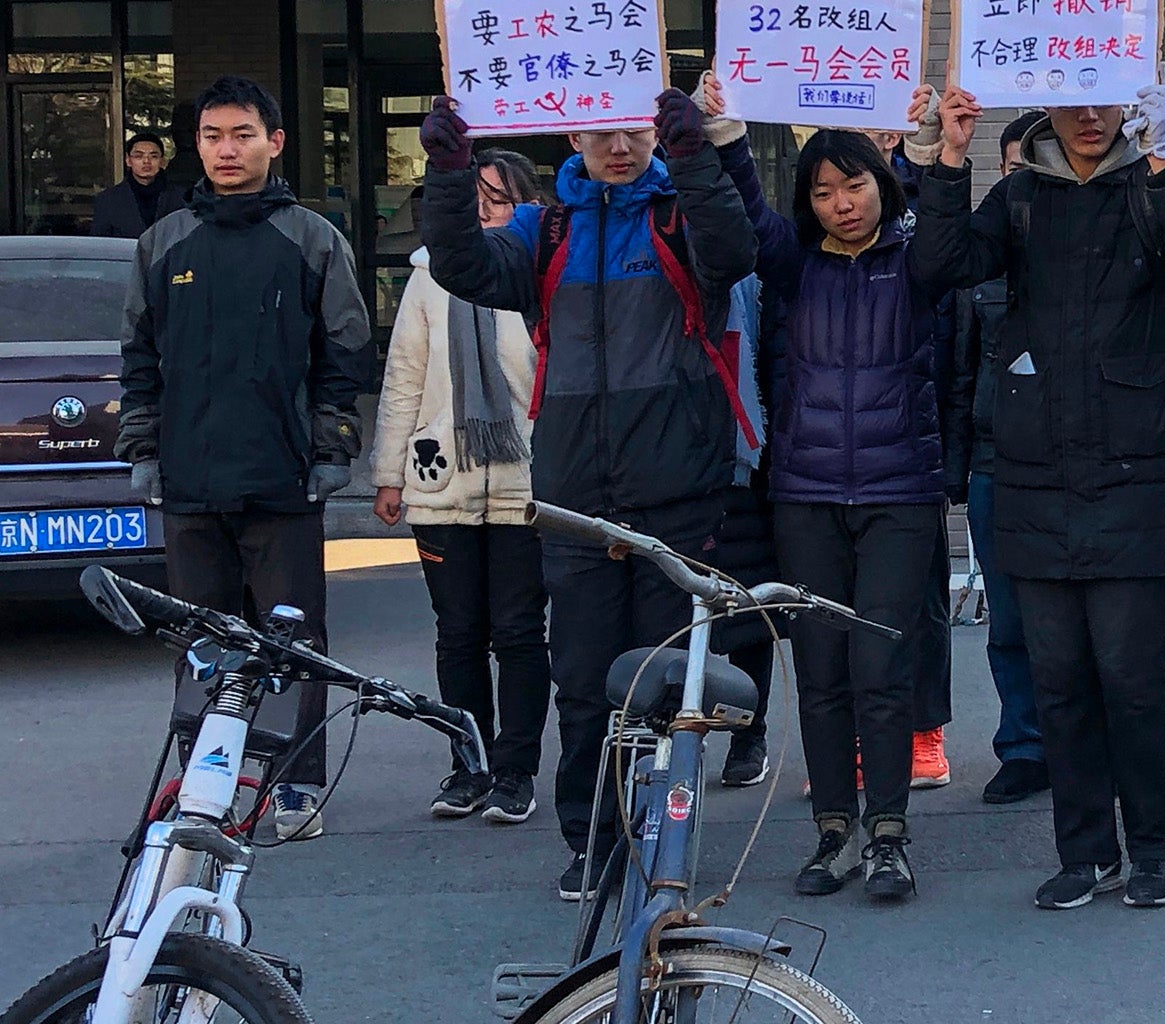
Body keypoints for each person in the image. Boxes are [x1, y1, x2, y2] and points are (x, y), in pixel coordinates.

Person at [418, 86, 756, 901]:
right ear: (572, 131)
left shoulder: (678, 213)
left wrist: (696, 156)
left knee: (666, 681)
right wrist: (449, 169)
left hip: (677, 490)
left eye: (635, 132)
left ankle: (662, 833)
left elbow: (736, 254)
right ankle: (593, 840)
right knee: (583, 680)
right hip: (575, 498)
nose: (618, 146)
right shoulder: (546, 230)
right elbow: (461, 264)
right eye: (601, 131)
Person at [914, 73, 1165, 913]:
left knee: (1131, 677)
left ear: (1129, 104)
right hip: (1035, 473)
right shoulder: (1021, 196)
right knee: (1058, 680)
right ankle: (1083, 852)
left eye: (1105, 100)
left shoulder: (1151, 183)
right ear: (1046, 104)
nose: (1089, 117)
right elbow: (938, 264)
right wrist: (948, 157)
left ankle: (1152, 850)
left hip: (1140, 474)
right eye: (1072, 100)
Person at [702, 75, 946, 902]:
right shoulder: (792, 267)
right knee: (821, 673)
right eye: (824, 190)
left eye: (856, 184)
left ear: (883, 185)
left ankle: (888, 835)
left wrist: (923, 145)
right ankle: (831, 831)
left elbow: (943, 226)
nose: (842, 202)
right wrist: (731, 136)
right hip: (804, 495)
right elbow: (752, 213)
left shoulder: (916, 265)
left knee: (881, 669)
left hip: (899, 495)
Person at [117, 75, 376, 840]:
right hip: (190, 481)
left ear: (275, 142)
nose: (226, 150)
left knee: (293, 643)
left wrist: (333, 445)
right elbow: (138, 357)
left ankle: (295, 785)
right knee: (203, 646)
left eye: (241, 135)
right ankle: (210, 783)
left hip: (284, 478)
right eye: (211, 136)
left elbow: (347, 349)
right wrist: (143, 449)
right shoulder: (162, 244)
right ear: (195, 146)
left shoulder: (311, 238)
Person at [369, 148, 549, 827]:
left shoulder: (540, 272)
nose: (482, 214)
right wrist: (388, 474)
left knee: (519, 632)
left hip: (526, 480)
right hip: (441, 478)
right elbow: (404, 379)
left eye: (497, 202)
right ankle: (467, 764)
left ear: (525, 206)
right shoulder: (426, 276)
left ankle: (515, 770)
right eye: (472, 202)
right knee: (458, 633)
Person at [943, 110, 1051, 806]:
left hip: (1078, 466)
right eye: (1010, 168)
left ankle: (1078, 741)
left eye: (1031, 168)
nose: (1020, 182)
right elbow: (959, 374)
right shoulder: (981, 264)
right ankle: (1023, 745)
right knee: (1009, 620)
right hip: (995, 462)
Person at [865, 116, 956, 793]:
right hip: (830, 442)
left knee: (918, 598)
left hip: (915, 429)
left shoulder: (921, 214)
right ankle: (858, 741)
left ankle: (924, 731)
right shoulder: (811, 217)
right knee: (841, 606)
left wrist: (928, 155)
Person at [706, 270, 779, 792]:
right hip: (662, 451)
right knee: (665, 611)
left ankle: (747, 733)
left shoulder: (750, 283)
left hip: (742, 458)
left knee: (745, 612)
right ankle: (674, 732)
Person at [92, 132, 185, 238]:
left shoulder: (181, 198)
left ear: (162, 161)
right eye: (138, 156)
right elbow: (100, 246)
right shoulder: (107, 200)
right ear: (128, 160)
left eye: (153, 156)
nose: (146, 161)